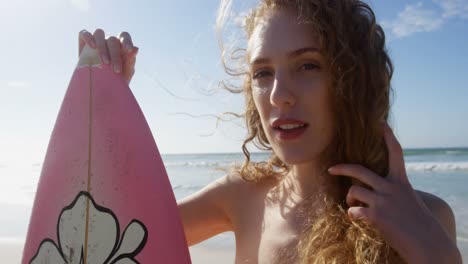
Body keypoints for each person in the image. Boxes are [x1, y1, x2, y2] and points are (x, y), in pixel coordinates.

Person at [78, 0, 462, 263]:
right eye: (263, 73)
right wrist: (106, 102)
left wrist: (435, 253)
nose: (279, 95)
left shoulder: (425, 217)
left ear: (352, 80)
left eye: (308, 66)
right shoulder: (241, 198)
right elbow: (109, 234)